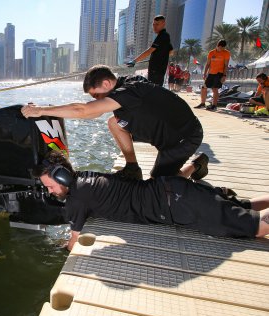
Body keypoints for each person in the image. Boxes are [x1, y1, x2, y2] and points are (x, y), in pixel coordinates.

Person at [35, 151, 269, 251]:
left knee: (256, 228)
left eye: (50, 185)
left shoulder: (77, 198)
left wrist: (57, 250)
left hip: (179, 203)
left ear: (62, 177)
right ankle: (197, 165)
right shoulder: (86, 178)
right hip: (173, 190)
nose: (50, 191)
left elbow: (73, 242)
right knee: (243, 207)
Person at [21, 65, 208, 181]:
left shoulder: (129, 91)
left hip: (184, 137)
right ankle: (132, 168)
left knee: (160, 184)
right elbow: (90, 114)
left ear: (106, 83)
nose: (96, 100)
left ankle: (196, 165)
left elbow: (84, 110)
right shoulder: (124, 86)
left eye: (96, 95)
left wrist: (41, 110)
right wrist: (50, 109)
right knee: (114, 122)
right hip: (166, 133)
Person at [127, 15, 173, 86]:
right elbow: (171, 52)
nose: (154, 27)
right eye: (153, 24)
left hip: (156, 70)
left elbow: (150, 51)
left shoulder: (162, 36)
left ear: (163, 24)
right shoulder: (166, 36)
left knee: (153, 90)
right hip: (158, 70)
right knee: (155, 89)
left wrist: (135, 61)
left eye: (157, 24)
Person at [195, 40, 230, 110]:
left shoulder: (226, 53)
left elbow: (226, 65)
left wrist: (224, 75)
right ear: (217, 46)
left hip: (219, 73)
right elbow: (207, 64)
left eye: (223, 48)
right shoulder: (211, 53)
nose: (221, 49)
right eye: (220, 48)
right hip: (210, 73)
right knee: (203, 88)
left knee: (215, 89)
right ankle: (202, 103)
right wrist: (204, 73)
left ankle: (214, 105)